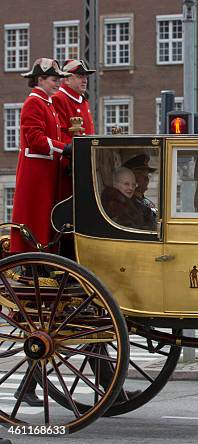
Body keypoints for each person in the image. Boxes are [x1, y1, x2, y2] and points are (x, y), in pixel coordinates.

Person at [10, 58, 71, 407]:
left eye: (56, 79)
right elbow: (34, 138)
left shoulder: (48, 102)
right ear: (40, 80)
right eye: (51, 78)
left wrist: (64, 144)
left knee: (48, 217)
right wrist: (58, 146)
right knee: (35, 217)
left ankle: (46, 254)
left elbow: (56, 134)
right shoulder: (34, 101)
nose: (54, 83)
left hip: (47, 170)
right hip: (36, 171)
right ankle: (35, 257)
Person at [52, 59, 96, 200]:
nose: (84, 80)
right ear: (67, 79)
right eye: (79, 76)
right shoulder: (59, 99)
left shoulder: (81, 100)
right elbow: (59, 134)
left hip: (82, 159)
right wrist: (76, 149)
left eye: (85, 77)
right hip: (69, 162)